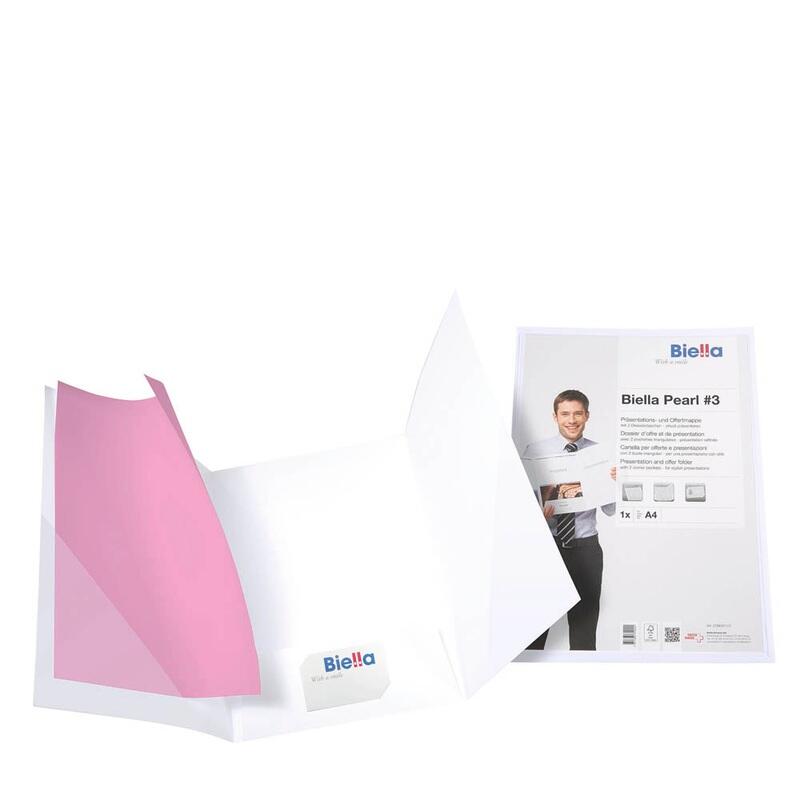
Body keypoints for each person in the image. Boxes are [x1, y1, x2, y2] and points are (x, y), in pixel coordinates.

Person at [524, 389, 616, 651]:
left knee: (584, 631)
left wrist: (615, 484)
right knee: (536, 628)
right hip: (547, 546)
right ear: (555, 417)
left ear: (587, 416)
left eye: (577, 414)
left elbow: (611, 509)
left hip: (586, 549)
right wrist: (535, 515)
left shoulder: (600, 454)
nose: (571, 420)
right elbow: (519, 501)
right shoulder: (535, 451)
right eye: (565, 414)